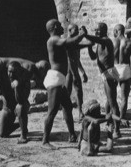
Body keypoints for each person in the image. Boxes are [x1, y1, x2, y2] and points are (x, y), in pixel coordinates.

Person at [42, 19, 86, 149]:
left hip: (59, 79)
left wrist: (88, 43)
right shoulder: (53, 40)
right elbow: (69, 41)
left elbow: (74, 45)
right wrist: (82, 35)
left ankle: (72, 135)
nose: (63, 27)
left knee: (67, 106)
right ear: (55, 27)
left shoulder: (58, 41)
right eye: (60, 26)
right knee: (52, 111)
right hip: (55, 79)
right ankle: (45, 141)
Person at [85, 22, 122, 139]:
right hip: (105, 74)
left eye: (97, 30)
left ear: (104, 30)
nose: (96, 32)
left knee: (112, 102)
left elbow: (95, 39)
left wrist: (86, 35)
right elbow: (92, 57)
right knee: (108, 100)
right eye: (95, 30)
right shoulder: (99, 43)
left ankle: (117, 130)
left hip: (109, 73)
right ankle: (109, 123)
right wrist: (89, 45)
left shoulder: (106, 41)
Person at [110, 24, 131, 126]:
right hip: (125, 68)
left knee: (111, 96)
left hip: (114, 68)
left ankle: (111, 121)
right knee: (124, 97)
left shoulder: (112, 42)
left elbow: (106, 59)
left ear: (117, 31)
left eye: (114, 31)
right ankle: (121, 119)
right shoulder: (130, 43)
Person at [66, 23, 92, 120]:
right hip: (69, 72)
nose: (77, 33)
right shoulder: (68, 41)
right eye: (75, 31)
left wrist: (82, 71)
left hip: (75, 70)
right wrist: (74, 73)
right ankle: (67, 113)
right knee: (67, 93)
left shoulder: (75, 43)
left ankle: (80, 112)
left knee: (79, 93)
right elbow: (69, 60)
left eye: (78, 31)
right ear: (70, 31)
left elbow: (77, 59)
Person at [7, 61, 31, 144]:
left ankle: (23, 134)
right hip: (8, 107)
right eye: (9, 71)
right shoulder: (5, 77)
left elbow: (21, 100)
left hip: (21, 103)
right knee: (2, 133)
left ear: (19, 72)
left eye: (14, 72)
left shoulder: (25, 79)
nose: (11, 75)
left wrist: (17, 87)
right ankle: (22, 125)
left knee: (20, 107)